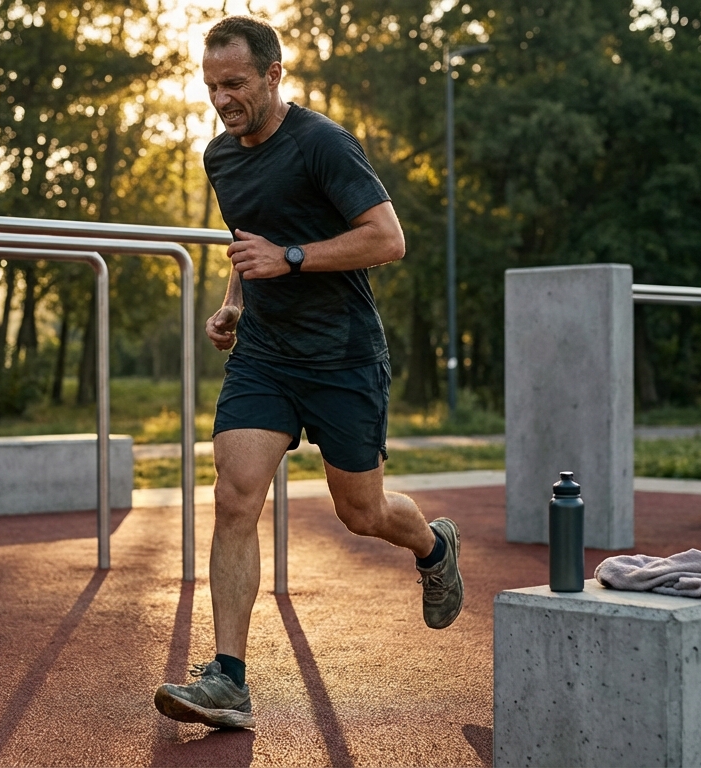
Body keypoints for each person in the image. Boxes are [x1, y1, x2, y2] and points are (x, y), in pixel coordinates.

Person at [152, 16, 464, 731]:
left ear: (272, 75)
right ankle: (228, 680)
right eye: (210, 87)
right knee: (234, 499)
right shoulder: (220, 158)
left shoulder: (323, 144)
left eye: (234, 84)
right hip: (265, 354)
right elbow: (246, 244)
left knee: (363, 514)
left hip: (343, 356)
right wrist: (233, 303)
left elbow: (389, 240)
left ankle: (432, 544)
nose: (222, 100)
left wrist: (290, 258)